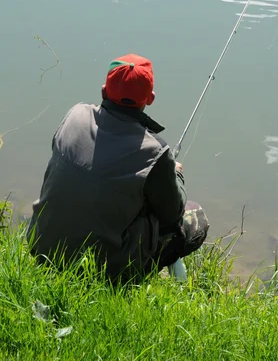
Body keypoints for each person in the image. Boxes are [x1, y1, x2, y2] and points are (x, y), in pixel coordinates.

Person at [27, 53, 209, 282]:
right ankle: (136, 280)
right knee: (195, 218)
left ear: (104, 91)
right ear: (150, 98)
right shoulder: (155, 151)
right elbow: (172, 215)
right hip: (100, 273)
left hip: (41, 247)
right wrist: (176, 174)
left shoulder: (75, 115)